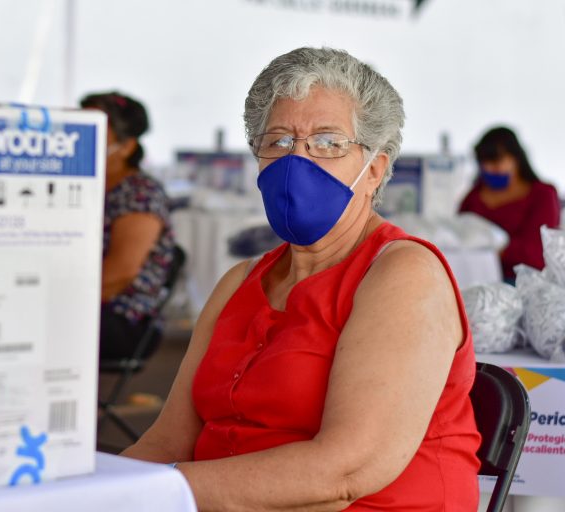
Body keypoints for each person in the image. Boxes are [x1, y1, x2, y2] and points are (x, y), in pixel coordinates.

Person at [122, 47, 481, 511]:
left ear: (374, 169)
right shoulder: (240, 282)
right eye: (279, 142)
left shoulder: (402, 275)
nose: (298, 160)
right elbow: (167, 443)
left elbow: (345, 471)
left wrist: (160, 492)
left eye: (328, 142)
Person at [80, 91, 175, 360]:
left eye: (95, 132)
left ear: (127, 146)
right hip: (89, 305)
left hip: (123, 317)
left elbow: (119, 274)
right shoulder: (83, 187)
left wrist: (57, 303)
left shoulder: (140, 193)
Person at [459, 126, 560, 283]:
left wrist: (497, 249)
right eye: (485, 163)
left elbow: (537, 254)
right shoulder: (473, 197)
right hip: (474, 278)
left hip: (523, 283)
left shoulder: (542, 194)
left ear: (516, 159)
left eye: (497, 161)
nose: (491, 168)